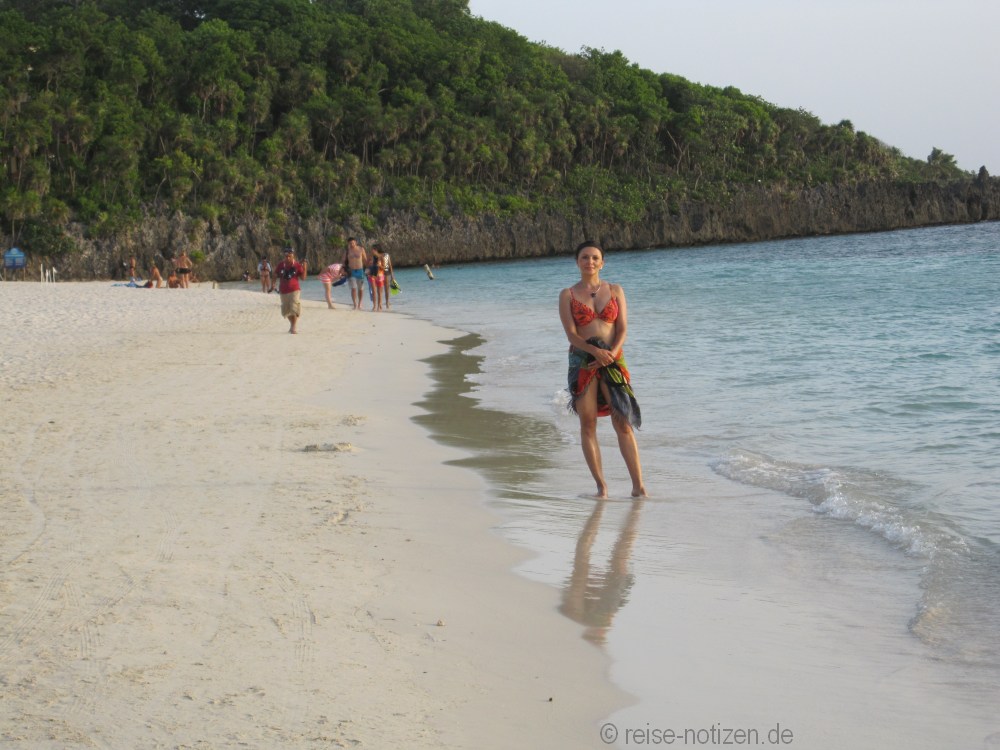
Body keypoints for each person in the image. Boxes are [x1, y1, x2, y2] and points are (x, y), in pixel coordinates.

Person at [559, 240, 646, 498]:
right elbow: (572, 335)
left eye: (595, 258)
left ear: (602, 262)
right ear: (577, 262)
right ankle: (601, 487)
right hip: (582, 360)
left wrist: (611, 354)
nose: (590, 262)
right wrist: (595, 352)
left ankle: (638, 486)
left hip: (613, 359)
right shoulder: (568, 295)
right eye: (585, 257)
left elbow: (622, 329)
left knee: (623, 423)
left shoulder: (616, 290)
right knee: (588, 424)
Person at [274, 247, 306, 333]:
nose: (287, 258)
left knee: (294, 307)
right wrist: (273, 284)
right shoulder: (281, 265)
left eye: (289, 256)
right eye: (286, 256)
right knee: (286, 310)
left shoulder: (297, 265)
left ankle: (294, 326)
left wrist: (305, 267)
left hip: (294, 289)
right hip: (283, 290)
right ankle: (292, 325)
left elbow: (303, 278)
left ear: (293, 256)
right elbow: (275, 274)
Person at [343, 237, 368, 310]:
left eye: (353, 242)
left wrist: (369, 270)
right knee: (353, 288)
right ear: (348, 243)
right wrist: (343, 270)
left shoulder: (361, 249)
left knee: (360, 289)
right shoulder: (347, 251)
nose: (351, 244)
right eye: (350, 243)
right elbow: (343, 260)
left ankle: (360, 303)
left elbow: (365, 260)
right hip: (351, 271)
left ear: (355, 242)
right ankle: (354, 304)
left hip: (360, 271)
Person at [374, 243, 396, 309]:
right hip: (380, 273)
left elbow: (389, 265)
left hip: (386, 272)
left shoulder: (385, 255)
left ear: (377, 249)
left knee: (386, 289)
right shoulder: (375, 256)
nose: (372, 251)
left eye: (374, 249)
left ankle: (387, 303)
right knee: (380, 289)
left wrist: (392, 275)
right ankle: (381, 304)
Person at [368, 246, 386, 311]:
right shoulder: (371, 257)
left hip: (380, 275)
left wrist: (380, 265)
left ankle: (379, 306)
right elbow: (368, 266)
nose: (372, 251)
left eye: (373, 250)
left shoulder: (381, 257)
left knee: (379, 292)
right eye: (371, 250)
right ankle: (374, 306)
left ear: (376, 250)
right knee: (374, 291)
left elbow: (384, 268)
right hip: (372, 275)